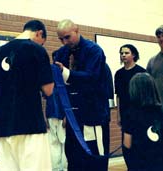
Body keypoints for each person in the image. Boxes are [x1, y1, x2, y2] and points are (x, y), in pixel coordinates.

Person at [0, 20, 54, 171]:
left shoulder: (0, 52)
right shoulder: (37, 50)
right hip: (30, 124)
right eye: (42, 42)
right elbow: (48, 90)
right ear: (39, 33)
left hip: (3, 126)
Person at [54, 19, 109, 171]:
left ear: (77, 30)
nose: (64, 42)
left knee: (94, 157)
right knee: (73, 157)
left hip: (93, 115)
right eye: (60, 39)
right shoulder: (62, 52)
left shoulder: (94, 50)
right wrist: (64, 113)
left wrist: (66, 73)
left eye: (67, 37)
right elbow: (59, 87)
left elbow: (91, 78)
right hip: (72, 117)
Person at [122, 72, 163, 171]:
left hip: (141, 164)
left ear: (133, 90)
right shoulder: (160, 111)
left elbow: (127, 144)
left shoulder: (130, 114)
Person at [147, 25, 163, 155]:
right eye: (159, 36)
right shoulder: (152, 61)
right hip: (157, 115)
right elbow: (148, 87)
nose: (161, 38)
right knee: (160, 151)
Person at [43, 51, 68, 171]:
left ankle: (58, 168)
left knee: (56, 143)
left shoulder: (51, 73)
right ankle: (59, 168)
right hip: (56, 113)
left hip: (54, 113)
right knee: (60, 143)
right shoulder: (60, 75)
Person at [114, 44, 146, 127]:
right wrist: (118, 115)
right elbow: (118, 95)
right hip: (124, 112)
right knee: (125, 138)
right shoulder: (118, 74)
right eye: (121, 53)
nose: (123, 55)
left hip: (139, 112)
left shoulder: (142, 72)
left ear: (133, 55)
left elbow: (146, 95)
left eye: (126, 53)